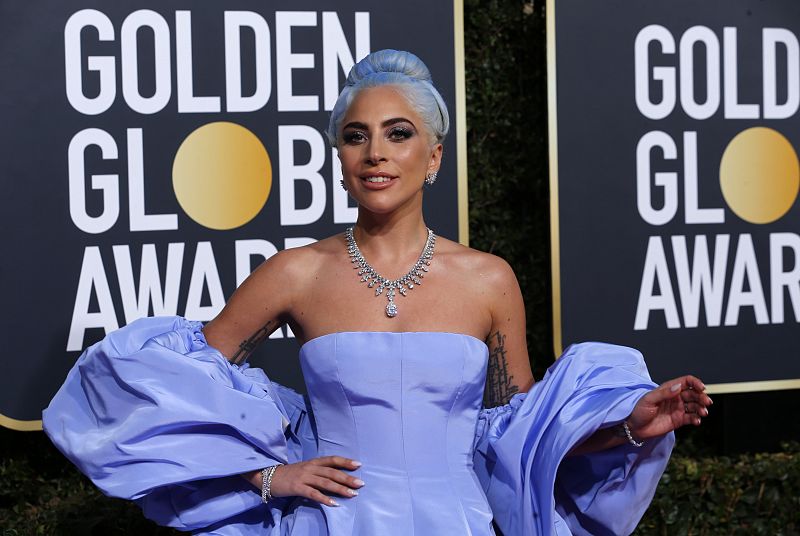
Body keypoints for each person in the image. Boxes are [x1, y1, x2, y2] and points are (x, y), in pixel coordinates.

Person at [43, 50, 712, 536]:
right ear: (339, 158)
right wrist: (268, 477)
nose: (375, 153)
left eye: (399, 134)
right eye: (355, 137)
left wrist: (629, 425)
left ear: (434, 156)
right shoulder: (295, 273)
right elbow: (171, 387)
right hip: (330, 523)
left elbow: (523, 433)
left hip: (459, 522)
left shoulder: (488, 279)